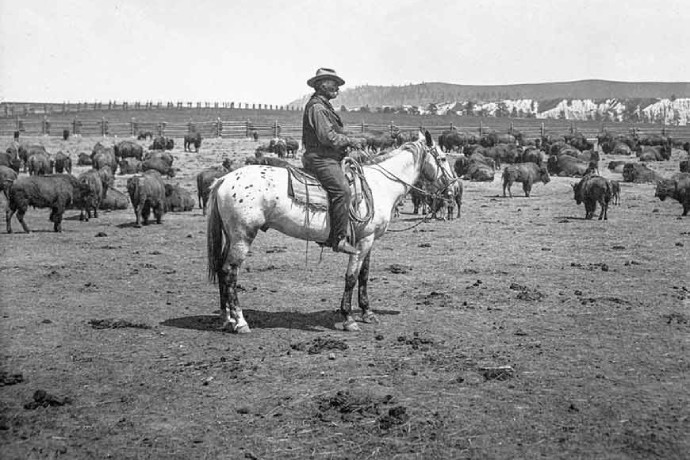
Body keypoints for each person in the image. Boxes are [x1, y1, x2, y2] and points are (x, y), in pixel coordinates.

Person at [302, 68, 363, 255]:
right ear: (322, 85)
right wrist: (349, 141)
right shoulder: (318, 108)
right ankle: (338, 239)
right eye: (333, 83)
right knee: (342, 190)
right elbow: (327, 137)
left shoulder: (324, 106)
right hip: (321, 158)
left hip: (327, 157)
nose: (337, 87)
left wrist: (349, 137)